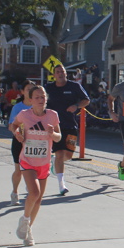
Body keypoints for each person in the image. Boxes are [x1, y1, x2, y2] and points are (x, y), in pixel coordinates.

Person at [9, 85, 61, 246]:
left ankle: (28, 229)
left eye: (43, 97)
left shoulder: (52, 115)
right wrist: (17, 133)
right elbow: (13, 125)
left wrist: (52, 133)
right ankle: (25, 219)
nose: (41, 100)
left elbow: (58, 137)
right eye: (37, 97)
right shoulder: (24, 115)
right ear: (30, 100)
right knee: (34, 192)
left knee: (38, 199)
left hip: (44, 162)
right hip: (28, 160)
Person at [45, 65, 90, 196]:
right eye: (58, 72)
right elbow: (40, 101)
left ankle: (56, 163)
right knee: (59, 154)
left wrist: (76, 106)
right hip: (55, 127)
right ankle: (62, 185)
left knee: (68, 155)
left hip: (70, 125)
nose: (60, 74)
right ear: (54, 75)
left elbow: (86, 100)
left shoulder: (74, 86)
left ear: (66, 74)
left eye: (62, 72)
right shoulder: (48, 88)